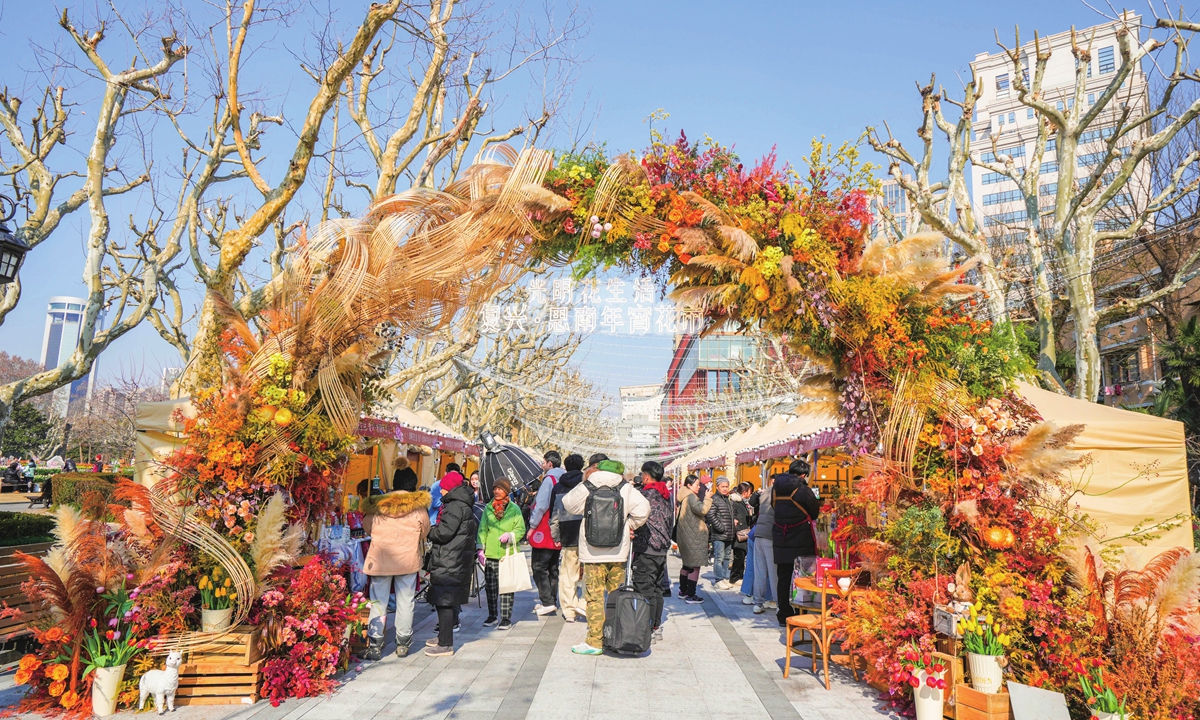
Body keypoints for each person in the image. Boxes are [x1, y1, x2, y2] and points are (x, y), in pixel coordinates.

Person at [561, 455, 650, 655]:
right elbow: (644, 510)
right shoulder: (625, 487)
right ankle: (616, 637)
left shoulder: (589, 485)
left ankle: (595, 642)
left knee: (594, 598)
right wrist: (629, 525)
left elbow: (568, 504)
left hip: (592, 554)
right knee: (615, 596)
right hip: (618, 552)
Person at [361, 470, 431, 659]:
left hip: (380, 560)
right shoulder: (418, 507)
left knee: (378, 602)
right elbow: (425, 531)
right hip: (407, 560)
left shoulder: (378, 504)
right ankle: (402, 643)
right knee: (406, 601)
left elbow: (366, 526)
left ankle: (375, 645)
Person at [424, 471, 478, 656]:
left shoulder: (455, 506)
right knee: (444, 599)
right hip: (454, 558)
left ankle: (446, 643)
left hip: (450, 559)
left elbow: (444, 533)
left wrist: (430, 531)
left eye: (443, 487)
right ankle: (442, 637)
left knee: (445, 600)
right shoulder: (461, 504)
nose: (441, 491)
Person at [772, 458, 821, 627]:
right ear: (803, 474)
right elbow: (814, 512)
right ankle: (801, 612)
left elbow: (774, 508)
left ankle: (783, 613)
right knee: (803, 576)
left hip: (781, 537)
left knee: (784, 577)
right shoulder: (803, 490)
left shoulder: (775, 489)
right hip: (801, 538)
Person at [477, 477, 525, 630]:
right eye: (494, 488)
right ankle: (492, 615)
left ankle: (506, 618)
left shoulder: (514, 509)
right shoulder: (488, 508)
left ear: (507, 491)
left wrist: (510, 536)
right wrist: (480, 548)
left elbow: (520, 529)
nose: (496, 491)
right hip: (491, 553)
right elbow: (482, 529)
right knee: (490, 587)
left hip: (507, 553)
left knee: (506, 587)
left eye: (500, 488)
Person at [632, 461, 672, 642]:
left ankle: (646, 628)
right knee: (656, 589)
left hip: (647, 547)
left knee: (644, 588)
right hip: (661, 549)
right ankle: (655, 625)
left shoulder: (644, 495)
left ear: (646, 476)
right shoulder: (666, 494)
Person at [549, 453, 587, 622]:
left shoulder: (558, 487)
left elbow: (554, 515)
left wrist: (555, 535)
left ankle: (569, 610)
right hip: (587, 534)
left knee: (567, 574)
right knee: (588, 573)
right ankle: (584, 604)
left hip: (567, 532)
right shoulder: (587, 485)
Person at [526, 450, 564, 617]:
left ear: (549, 463)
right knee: (553, 566)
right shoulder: (566, 478)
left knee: (539, 567)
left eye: (543, 462)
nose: (542, 466)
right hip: (561, 528)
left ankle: (547, 601)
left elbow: (541, 505)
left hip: (546, 528)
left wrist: (532, 526)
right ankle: (551, 600)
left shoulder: (550, 479)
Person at [675, 475, 712, 604]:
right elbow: (703, 510)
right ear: (689, 485)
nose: (699, 487)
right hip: (693, 536)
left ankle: (683, 591)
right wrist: (707, 498)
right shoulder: (691, 497)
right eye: (696, 484)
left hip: (686, 535)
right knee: (694, 566)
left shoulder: (684, 496)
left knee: (686, 564)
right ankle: (691, 595)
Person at [747, 474, 778, 614]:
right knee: (773, 572)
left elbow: (753, 503)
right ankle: (778, 603)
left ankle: (757, 603)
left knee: (760, 571)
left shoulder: (765, 492)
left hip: (758, 532)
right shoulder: (779, 493)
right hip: (770, 534)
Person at [706, 477, 736, 590]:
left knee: (727, 557)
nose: (725, 489)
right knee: (719, 557)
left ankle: (724, 578)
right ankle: (718, 579)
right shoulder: (715, 499)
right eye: (723, 486)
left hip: (729, 533)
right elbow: (711, 515)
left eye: (726, 486)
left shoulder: (727, 499)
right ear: (717, 487)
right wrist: (721, 527)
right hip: (719, 534)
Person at [729, 482, 752, 585]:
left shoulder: (743, 502)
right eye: (749, 491)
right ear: (745, 492)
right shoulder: (735, 502)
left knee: (741, 554)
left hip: (743, 531)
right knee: (739, 555)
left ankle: (739, 576)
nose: (750, 494)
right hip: (739, 533)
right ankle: (735, 577)